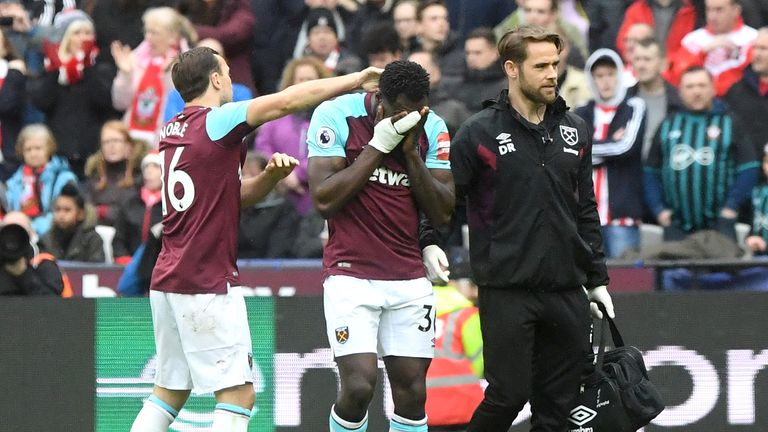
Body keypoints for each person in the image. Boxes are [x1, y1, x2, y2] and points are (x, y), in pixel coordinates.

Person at [129, 46, 382, 432]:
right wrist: (355, 80)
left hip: (169, 278)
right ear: (215, 79)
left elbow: (227, 197)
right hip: (205, 279)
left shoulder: (173, 128)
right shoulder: (216, 120)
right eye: (227, 73)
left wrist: (269, 180)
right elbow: (286, 101)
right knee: (238, 397)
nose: (231, 80)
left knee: (168, 392)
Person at [448, 25, 614, 431]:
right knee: (508, 396)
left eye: (555, 64)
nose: (552, 74)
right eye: (540, 66)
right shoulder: (478, 132)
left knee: (558, 407)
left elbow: (586, 209)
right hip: (507, 289)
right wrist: (430, 244)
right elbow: (446, 202)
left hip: (566, 289)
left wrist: (597, 280)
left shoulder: (576, 129)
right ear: (512, 69)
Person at [306, 59, 454, 432]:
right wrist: (377, 146)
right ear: (379, 98)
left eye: (415, 110)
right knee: (358, 386)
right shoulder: (336, 114)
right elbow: (324, 199)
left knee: (413, 391)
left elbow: (442, 211)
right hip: (350, 274)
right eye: (397, 109)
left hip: (407, 277)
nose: (406, 117)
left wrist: (409, 154)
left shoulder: (432, 126)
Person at [644, 66, 760, 241]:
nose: (696, 92)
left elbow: (749, 167)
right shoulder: (667, 124)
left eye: (702, 85)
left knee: (722, 269)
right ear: (680, 92)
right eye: (690, 87)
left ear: (713, 89)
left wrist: (731, 207)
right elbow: (649, 172)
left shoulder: (730, 122)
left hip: (720, 224)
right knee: (676, 270)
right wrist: (659, 210)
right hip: (676, 227)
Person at [575, 49, 646, 258]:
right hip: (585, 217)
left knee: (625, 283)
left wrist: (589, 149)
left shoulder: (634, 106)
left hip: (621, 217)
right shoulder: (580, 113)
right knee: (587, 282)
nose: (605, 81)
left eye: (610, 74)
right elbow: (571, 152)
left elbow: (626, 147)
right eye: (599, 76)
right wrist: (610, 145)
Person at [425, 247, 484, 432]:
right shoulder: (467, 315)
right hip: (465, 410)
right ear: (451, 283)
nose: (476, 292)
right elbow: (480, 365)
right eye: (471, 284)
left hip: (422, 411)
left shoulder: (417, 311)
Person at [5, 124, 78, 238]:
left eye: (38, 148)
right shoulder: (15, 181)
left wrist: (31, 227)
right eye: (28, 149)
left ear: (49, 148)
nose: (33, 154)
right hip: (19, 233)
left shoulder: (64, 178)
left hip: (52, 235)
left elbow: (63, 214)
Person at [670, 0, 757, 96]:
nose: (712, 16)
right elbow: (677, 76)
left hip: (741, 100)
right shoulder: (692, 40)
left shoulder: (753, 39)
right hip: (699, 102)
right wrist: (702, 53)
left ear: (736, 10)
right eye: (708, 10)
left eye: (719, 10)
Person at [627, 37, 685, 161]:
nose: (641, 65)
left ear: (663, 64)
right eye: (637, 59)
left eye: (647, 59)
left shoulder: (680, 100)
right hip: (631, 173)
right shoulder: (624, 100)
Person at [83, 120, 144, 228]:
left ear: (129, 146)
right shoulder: (93, 176)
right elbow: (85, 211)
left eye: (116, 141)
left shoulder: (140, 177)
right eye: (106, 142)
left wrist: (104, 211)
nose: (111, 146)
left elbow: (136, 213)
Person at [725, 27, 768, 156]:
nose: (757, 54)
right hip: (747, 165)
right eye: (755, 48)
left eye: (763, 49)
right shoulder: (737, 90)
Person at [40, 183, 105, 263]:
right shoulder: (46, 239)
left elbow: (97, 270)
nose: (61, 215)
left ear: (81, 214)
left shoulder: (92, 239)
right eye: (58, 209)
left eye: (67, 210)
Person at [0, 222, 63, 296]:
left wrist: (24, 274)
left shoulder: (42, 260)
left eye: (17, 233)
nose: (12, 241)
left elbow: (53, 302)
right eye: (7, 233)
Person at [746, 146, 768, 255]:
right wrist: (749, 238)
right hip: (757, 258)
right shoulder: (756, 191)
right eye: (766, 161)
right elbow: (747, 221)